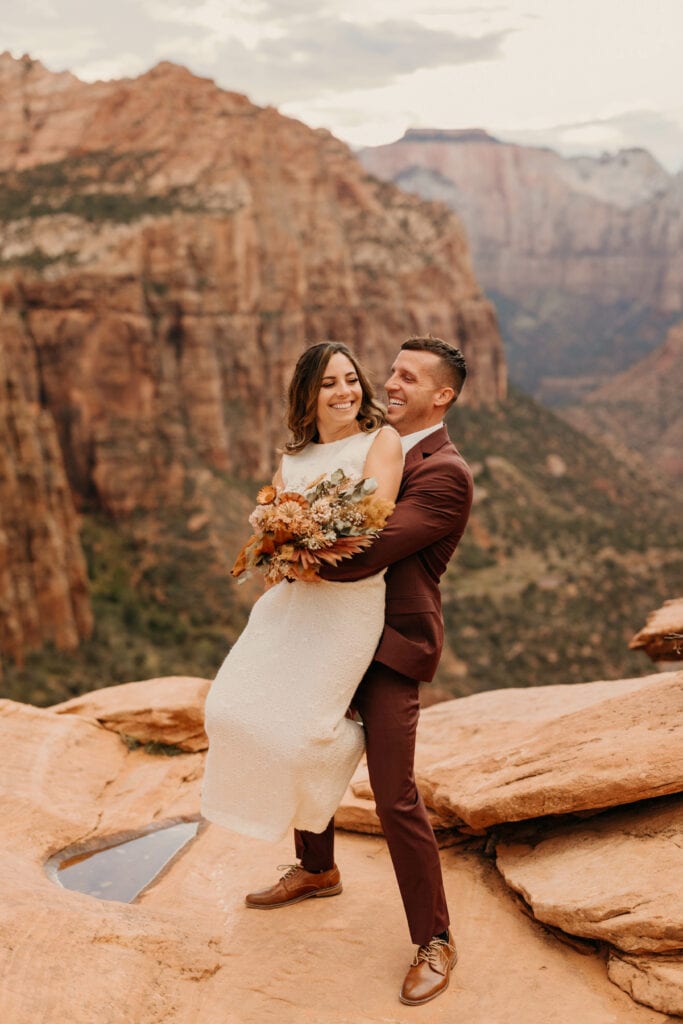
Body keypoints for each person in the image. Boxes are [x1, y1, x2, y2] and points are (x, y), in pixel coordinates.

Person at [245, 336, 473, 1008]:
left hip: (389, 646)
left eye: (408, 377)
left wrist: (284, 546)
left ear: (443, 396)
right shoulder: (371, 444)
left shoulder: (444, 473)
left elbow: (364, 554)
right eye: (391, 372)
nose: (389, 383)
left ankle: (435, 940)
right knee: (300, 743)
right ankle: (317, 869)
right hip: (327, 633)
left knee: (394, 790)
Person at [201, 342, 403, 844]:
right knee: (225, 709)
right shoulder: (293, 459)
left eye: (351, 379)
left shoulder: (381, 442)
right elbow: (268, 533)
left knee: (301, 735)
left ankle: (351, 750)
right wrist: (282, 550)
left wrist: (312, 555)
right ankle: (283, 829)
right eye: (329, 383)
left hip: (346, 606)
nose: (345, 392)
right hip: (290, 603)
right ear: (307, 394)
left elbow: (375, 524)